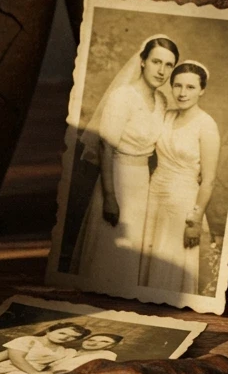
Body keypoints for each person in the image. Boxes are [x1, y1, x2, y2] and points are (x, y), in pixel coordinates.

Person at [69, 34, 179, 295]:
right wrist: (110, 197)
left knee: (135, 252)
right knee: (112, 250)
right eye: (156, 62)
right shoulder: (122, 97)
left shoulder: (162, 101)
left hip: (143, 181)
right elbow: (106, 146)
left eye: (169, 65)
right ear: (142, 62)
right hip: (117, 178)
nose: (162, 71)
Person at [139, 61, 220, 295]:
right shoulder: (166, 116)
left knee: (171, 263)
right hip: (153, 195)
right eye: (177, 86)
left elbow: (209, 180)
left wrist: (194, 222)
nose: (182, 93)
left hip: (183, 203)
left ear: (202, 90)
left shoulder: (206, 125)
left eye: (191, 87)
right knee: (148, 257)